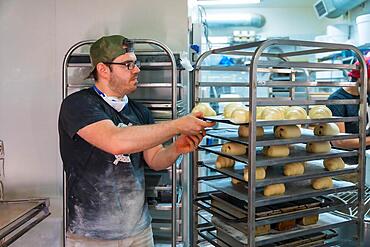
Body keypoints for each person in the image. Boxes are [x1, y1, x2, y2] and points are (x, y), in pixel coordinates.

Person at [58, 35, 215, 247]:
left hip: (139, 232)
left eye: (136, 63)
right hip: (91, 234)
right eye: (128, 64)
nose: (137, 69)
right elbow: (114, 141)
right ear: (104, 69)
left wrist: (177, 147)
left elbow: (155, 159)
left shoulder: (139, 112)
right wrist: (178, 125)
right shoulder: (78, 105)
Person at [327, 56, 370, 164]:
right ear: (362, 78)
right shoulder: (337, 100)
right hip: (346, 165)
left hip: (366, 160)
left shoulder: (367, 95)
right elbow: (339, 141)